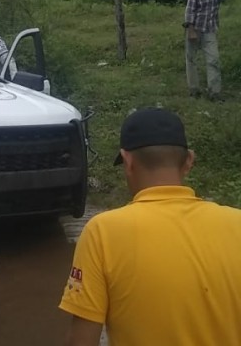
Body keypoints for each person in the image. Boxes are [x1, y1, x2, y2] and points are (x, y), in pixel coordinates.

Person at [59, 108, 241, 346]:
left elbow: (82, 341)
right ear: (188, 161)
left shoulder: (103, 232)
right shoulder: (236, 223)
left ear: (128, 161)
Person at [183, 0, 241, 101]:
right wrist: (191, 30)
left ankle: (214, 92)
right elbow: (190, 10)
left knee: (213, 59)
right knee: (191, 59)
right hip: (195, 28)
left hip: (210, 29)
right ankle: (194, 89)